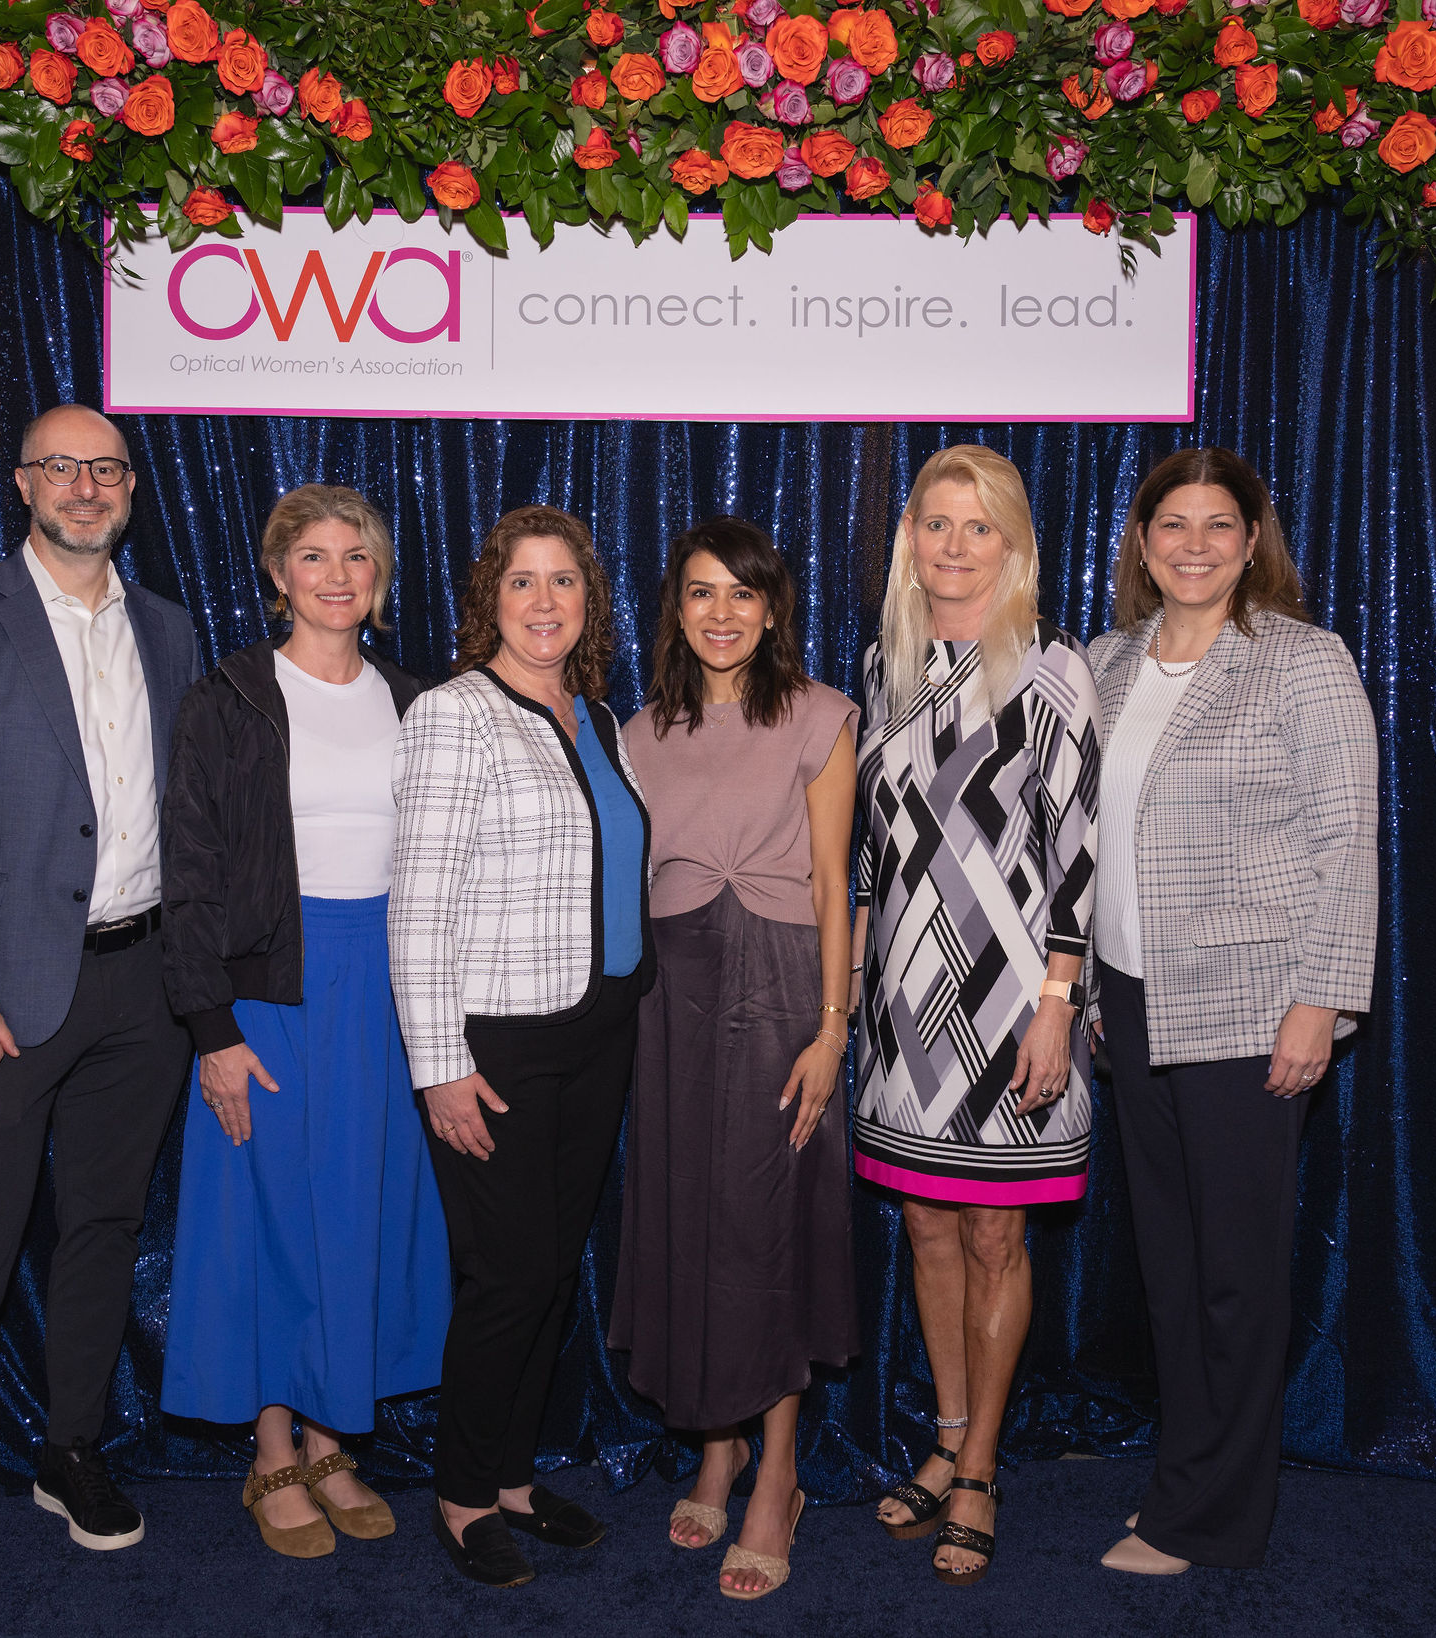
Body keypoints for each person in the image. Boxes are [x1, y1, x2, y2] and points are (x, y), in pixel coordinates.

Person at [0, 405, 200, 1619]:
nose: (84, 485)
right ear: (22, 484)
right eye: (60, 466)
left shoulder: (166, 627)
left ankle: (71, 1453)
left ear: (130, 488)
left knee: (104, 1231)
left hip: (141, 983)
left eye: (105, 467)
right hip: (2, 994)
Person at [1087, 448, 1376, 1576]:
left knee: (1233, 1276)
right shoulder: (1108, 661)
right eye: (1173, 524)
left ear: (1253, 542)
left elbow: (1345, 840)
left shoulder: (1302, 661)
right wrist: (1089, 990)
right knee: (1169, 1266)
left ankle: (1214, 1521)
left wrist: (1320, 999)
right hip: (1130, 998)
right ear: (1142, 541)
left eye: (1218, 525)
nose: (1194, 545)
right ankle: (1183, 1485)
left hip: (1251, 1005)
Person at [158, 485, 451, 1558]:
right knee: (269, 1211)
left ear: (378, 577)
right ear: (278, 575)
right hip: (267, 992)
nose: (336, 575)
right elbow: (187, 872)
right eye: (313, 556)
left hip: (388, 984)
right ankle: (271, 1448)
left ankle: (333, 1437)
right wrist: (212, 1029)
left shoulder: (417, 699)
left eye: (356, 556)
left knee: (361, 1205)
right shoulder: (227, 697)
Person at [388, 505, 653, 1589]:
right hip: (495, 1043)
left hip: (597, 1031)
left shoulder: (599, 717)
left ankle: (508, 1477)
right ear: (487, 599)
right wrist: (439, 1066)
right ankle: (459, 1496)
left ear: (589, 599)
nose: (545, 602)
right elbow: (418, 904)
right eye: (521, 582)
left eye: (564, 581)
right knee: (508, 1276)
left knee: (551, 1271)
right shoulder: (453, 713)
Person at [853, 446, 1101, 1587]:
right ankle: (947, 1437)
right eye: (935, 522)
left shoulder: (1050, 668)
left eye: (978, 526)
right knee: (924, 1227)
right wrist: (856, 999)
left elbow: (1077, 849)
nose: (953, 545)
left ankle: (982, 1468)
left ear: (1013, 546)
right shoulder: (885, 666)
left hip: (1011, 998)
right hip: (902, 1001)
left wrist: (1058, 1004)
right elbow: (871, 852)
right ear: (909, 538)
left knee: (996, 1234)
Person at [609, 519, 858, 1601]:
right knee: (689, 1216)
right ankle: (715, 1446)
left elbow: (833, 882)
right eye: (701, 592)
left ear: (771, 609)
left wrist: (832, 1029)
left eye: (742, 594)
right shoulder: (639, 731)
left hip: (780, 987)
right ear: (676, 608)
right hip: (671, 994)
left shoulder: (819, 714)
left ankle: (778, 1470)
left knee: (765, 1225)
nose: (721, 613)